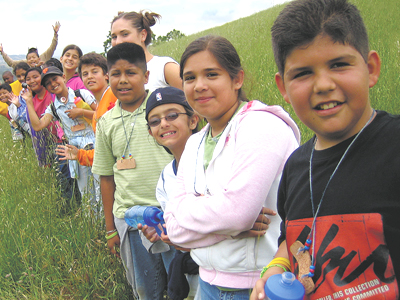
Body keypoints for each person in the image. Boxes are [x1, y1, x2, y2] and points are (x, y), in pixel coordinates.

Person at [251, 0, 400, 299]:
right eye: (302, 73)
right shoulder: (295, 167)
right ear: (284, 88)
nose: (322, 85)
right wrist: (276, 267)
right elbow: (291, 239)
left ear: (370, 69)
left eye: (339, 64)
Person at [163, 35, 300, 299]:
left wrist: (217, 216)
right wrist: (230, 228)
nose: (199, 85)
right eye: (190, 78)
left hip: (260, 285)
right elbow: (174, 230)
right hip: (207, 285)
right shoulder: (194, 143)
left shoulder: (261, 126)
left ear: (237, 79)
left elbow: (238, 213)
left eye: (211, 74)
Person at [91, 42, 174, 300]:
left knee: (182, 286)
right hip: (131, 221)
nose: (123, 81)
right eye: (116, 74)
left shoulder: (165, 110)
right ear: (108, 77)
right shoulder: (106, 122)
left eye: (131, 73)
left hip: (173, 215)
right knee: (145, 289)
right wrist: (109, 229)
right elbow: (106, 177)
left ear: (146, 76)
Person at [144, 86, 200, 300]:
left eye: (172, 116)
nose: (164, 124)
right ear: (151, 132)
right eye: (155, 121)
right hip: (190, 270)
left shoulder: (210, 162)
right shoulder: (167, 177)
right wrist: (161, 232)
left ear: (193, 120)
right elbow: (175, 228)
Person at [24, 66, 100, 212]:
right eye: (48, 83)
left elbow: (101, 113)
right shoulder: (53, 108)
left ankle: (106, 224)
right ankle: (93, 225)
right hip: (75, 152)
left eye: (55, 79)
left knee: (101, 185)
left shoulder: (81, 94)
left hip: (96, 145)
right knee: (85, 190)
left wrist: (81, 112)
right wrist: (28, 101)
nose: (53, 84)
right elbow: (38, 125)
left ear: (64, 77)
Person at [55, 52, 117, 166]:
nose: (90, 76)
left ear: (106, 75)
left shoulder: (115, 97)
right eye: (85, 74)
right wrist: (79, 155)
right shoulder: (97, 111)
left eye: (95, 72)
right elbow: (104, 153)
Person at [110, 10, 182, 90]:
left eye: (125, 34)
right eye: (114, 37)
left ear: (143, 35)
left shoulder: (165, 68)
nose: (118, 41)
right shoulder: (117, 75)